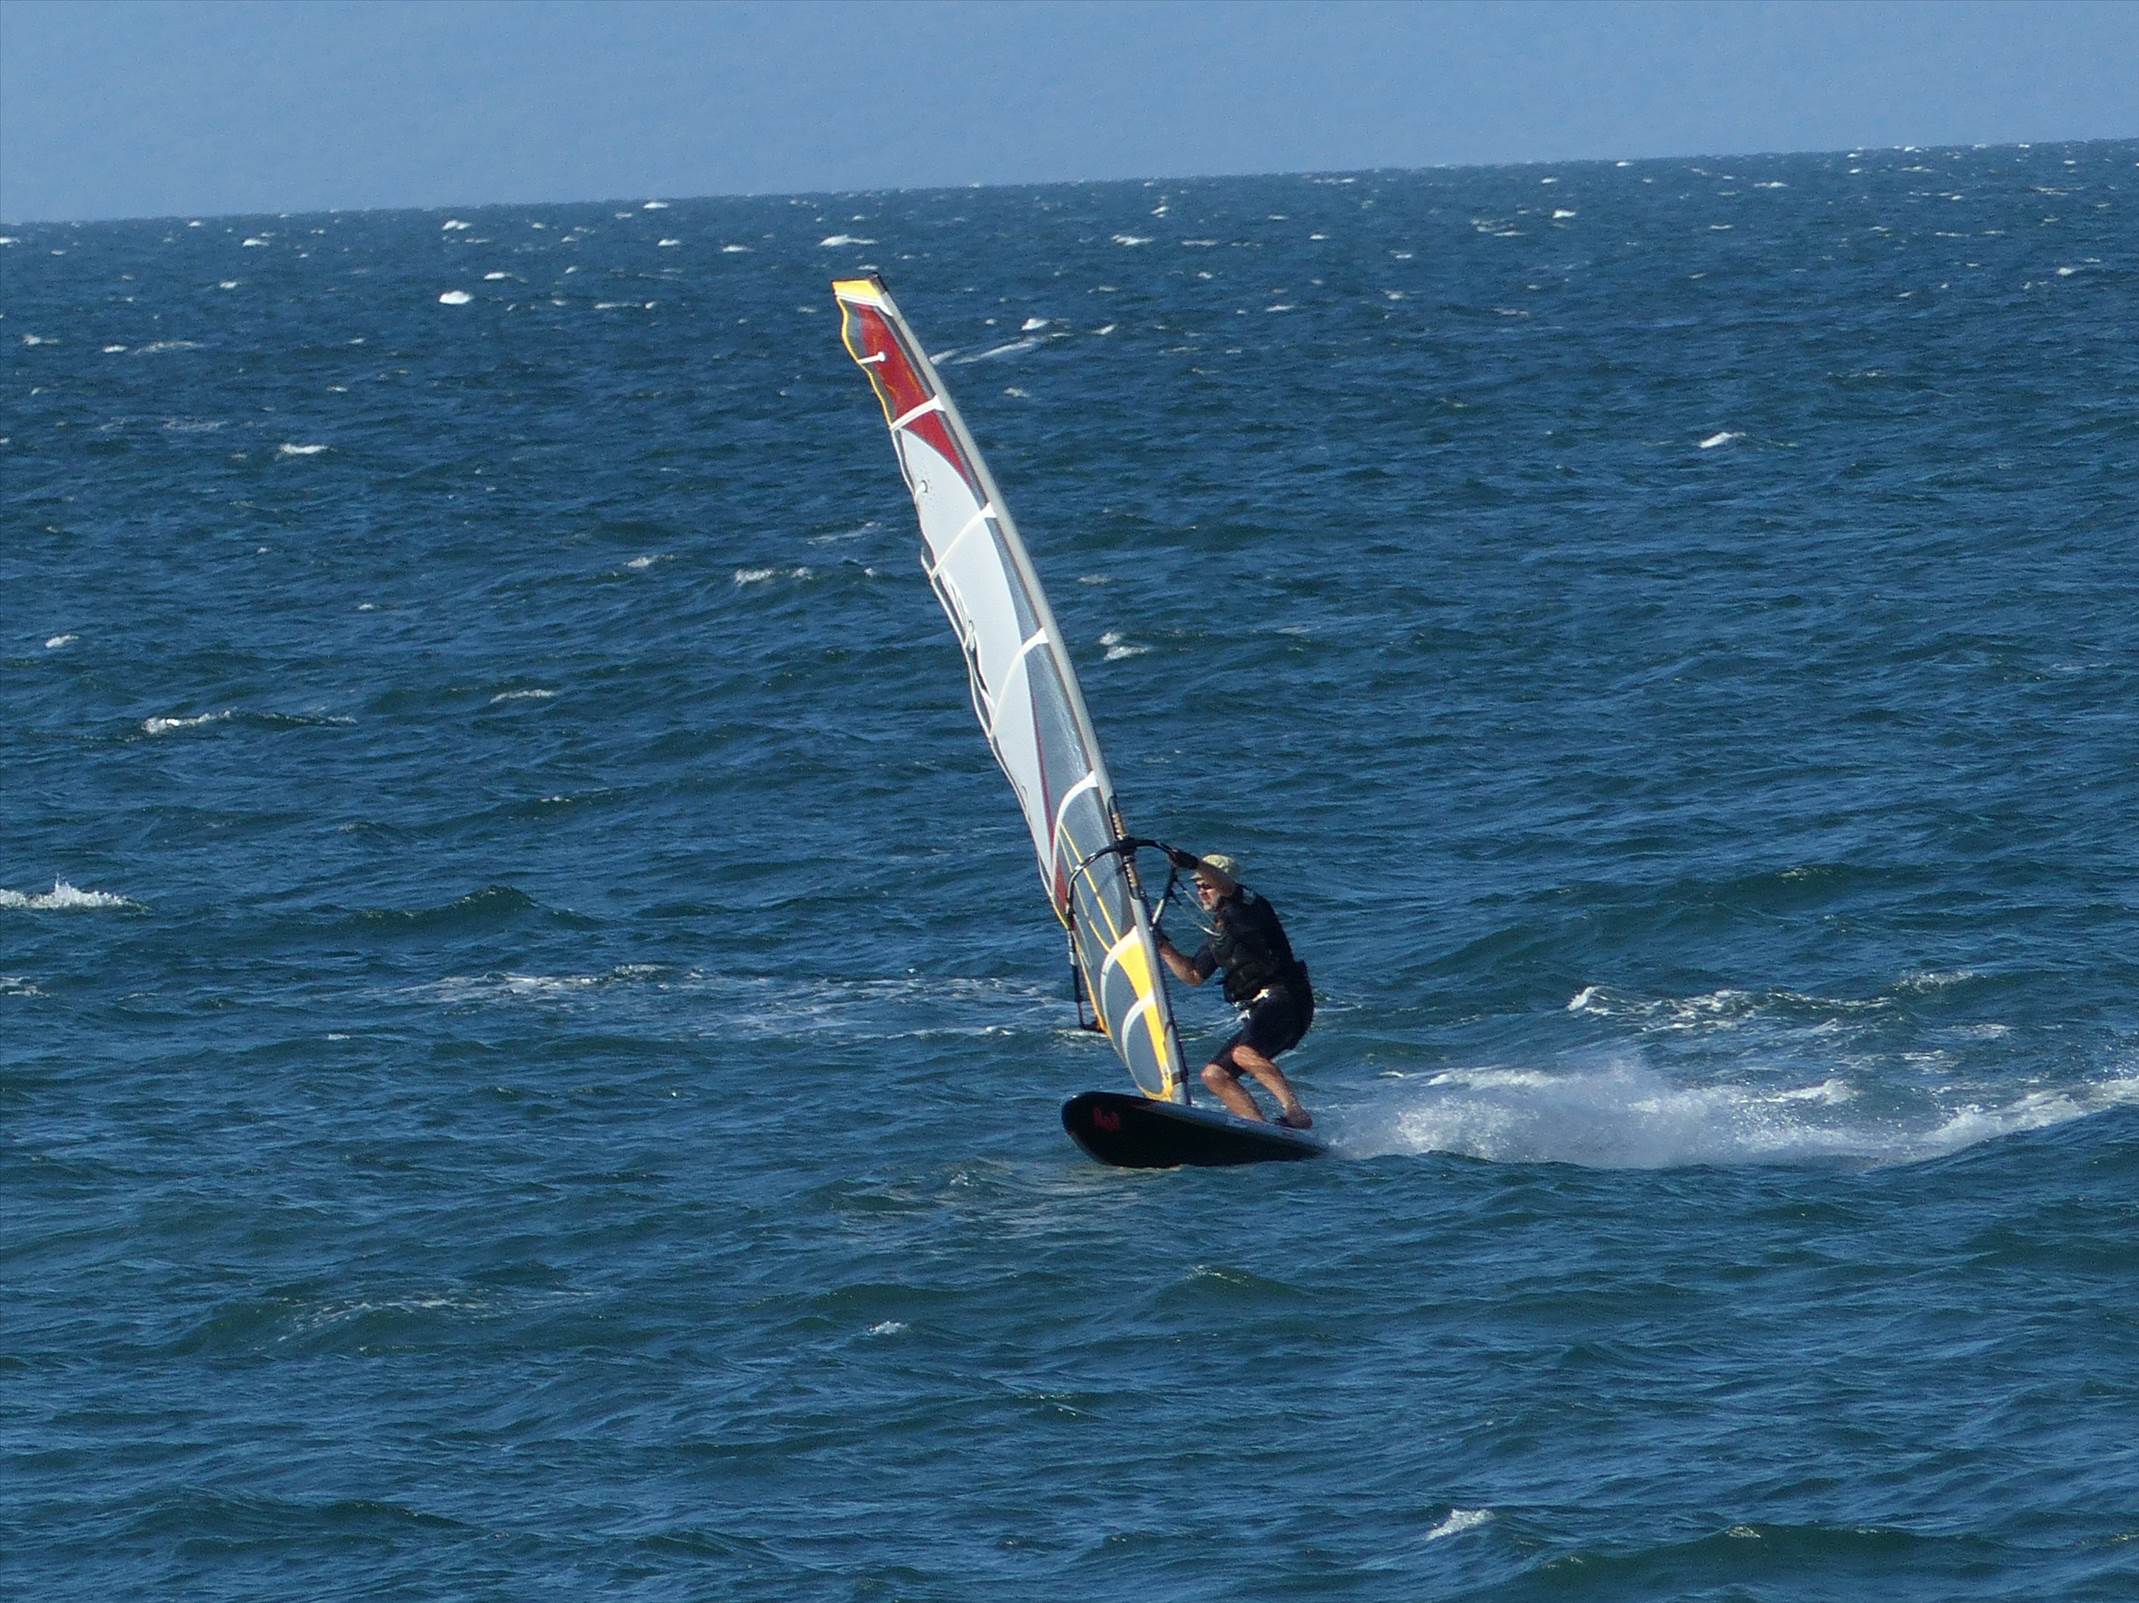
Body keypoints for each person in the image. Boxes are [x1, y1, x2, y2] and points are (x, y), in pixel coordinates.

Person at [1152, 851, 1315, 1129]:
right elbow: (1193, 975)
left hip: (1286, 998)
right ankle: (1260, 1129)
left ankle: (1296, 1113)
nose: (1202, 892)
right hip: (1260, 1006)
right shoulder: (1218, 933)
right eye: (1198, 886)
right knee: (1214, 1075)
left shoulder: (1250, 906)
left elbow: (1229, 888)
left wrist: (1195, 864)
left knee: (1243, 1053)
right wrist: (1162, 946)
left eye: (1207, 885)